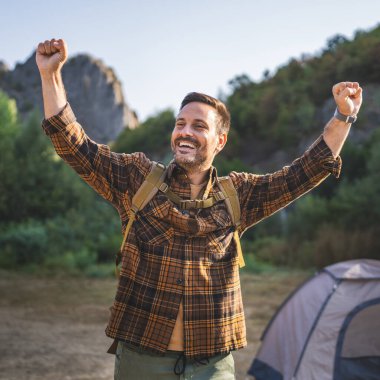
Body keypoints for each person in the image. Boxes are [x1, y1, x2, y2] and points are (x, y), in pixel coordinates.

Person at [36, 38, 362, 380]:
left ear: (220, 141)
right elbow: (73, 144)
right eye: (180, 124)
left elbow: (304, 172)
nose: (185, 132)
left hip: (213, 363)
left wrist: (343, 116)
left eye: (198, 126)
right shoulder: (137, 179)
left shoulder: (240, 195)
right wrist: (50, 75)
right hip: (141, 357)